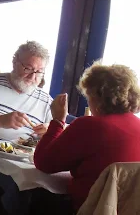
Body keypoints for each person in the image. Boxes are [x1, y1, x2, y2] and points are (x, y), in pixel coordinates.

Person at [34, 62, 140, 212]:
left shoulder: (90, 125)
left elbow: (43, 162)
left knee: (28, 197)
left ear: (96, 98)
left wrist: (58, 120)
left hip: (88, 208)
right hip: (127, 209)